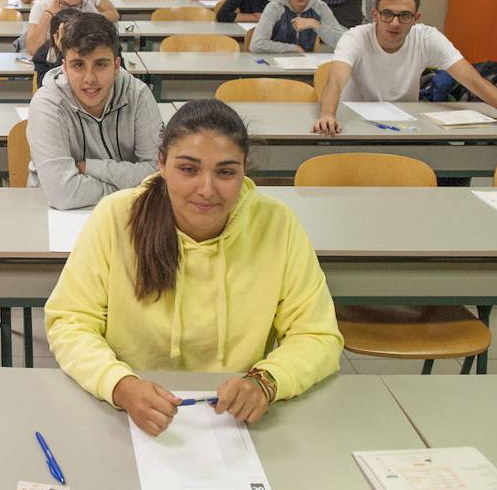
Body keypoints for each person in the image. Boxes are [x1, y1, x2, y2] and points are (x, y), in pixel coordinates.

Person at [45, 99, 344, 435]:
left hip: (236, 422)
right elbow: (70, 321)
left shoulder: (277, 224)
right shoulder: (116, 217)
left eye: (226, 172)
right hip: (123, 414)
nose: (206, 190)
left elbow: (317, 335)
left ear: (245, 169)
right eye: (188, 169)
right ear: (161, 163)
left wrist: (266, 381)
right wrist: (120, 384)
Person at [313, 0, 497, 151]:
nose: (394, 23)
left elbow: (474, 81)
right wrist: (328, 115)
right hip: (357, 124)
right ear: (374, 15)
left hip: (406, 125)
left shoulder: (427, 38)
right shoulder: (355, 37)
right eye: (387, 14)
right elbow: (335, 79)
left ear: (416, 18)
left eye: (404, 16)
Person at [27, 13, 163, 210]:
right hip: (52, 214)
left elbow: (157, 174)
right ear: (64, 67)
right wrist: (132, 188)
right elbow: (62, 194)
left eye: (100, 64)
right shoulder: (47, 103)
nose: (89, 79)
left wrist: (89, 167)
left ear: (116, 66)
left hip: (126, 213)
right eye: (78, 65)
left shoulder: (138, 96)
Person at [31, 6, 82, 88]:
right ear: (55, 36)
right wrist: (64, 52)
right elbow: (49, 86)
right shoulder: (42, 55)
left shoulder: (91, 52)